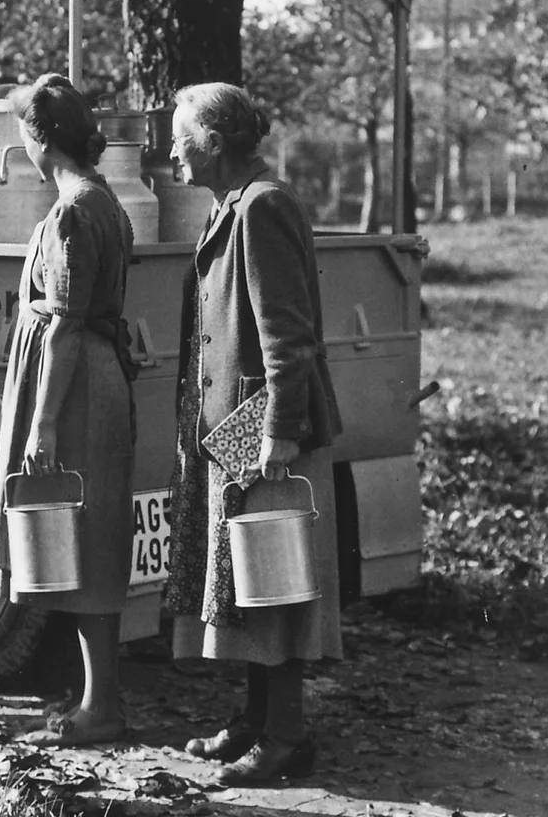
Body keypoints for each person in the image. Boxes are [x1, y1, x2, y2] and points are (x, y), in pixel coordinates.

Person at [162, 82, 343, 784]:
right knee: (240, 584)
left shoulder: (262, 206)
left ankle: (286, 735)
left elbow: (286, 336)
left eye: (180, 135)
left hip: (261, 424)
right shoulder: (228, 208)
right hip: (232, 425)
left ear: (212, 140)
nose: (169, 149)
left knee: (274, 582)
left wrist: (278, 433)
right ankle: (255, 719)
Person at [0, 75, 138, 747]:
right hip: (87, 376)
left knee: (85, 540)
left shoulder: (74, 211)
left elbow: (68, 323)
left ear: (36, 138)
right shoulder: (103, 200)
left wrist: (43, 421)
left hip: (75, 385)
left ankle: (101, 704)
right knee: (87, 540)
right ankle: (93, 696)